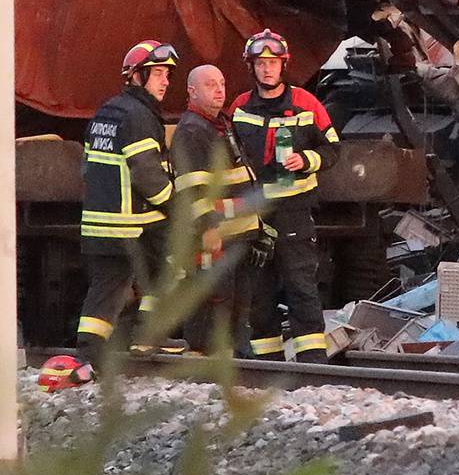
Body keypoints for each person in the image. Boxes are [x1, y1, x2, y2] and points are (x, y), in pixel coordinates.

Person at [38, 40, 179, 389]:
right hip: (132, 223)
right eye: (157, 74)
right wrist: (176, 207)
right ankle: (148, 336)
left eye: (166, 75)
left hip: (100, 222)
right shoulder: (139, 116)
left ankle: (89, 355)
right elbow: (147, 174)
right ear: (136, 76)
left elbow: (89, 169)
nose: (164, 82)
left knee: (105, 289)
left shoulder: (107, 113)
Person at [229, 30, 339, 362]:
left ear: (283, 65)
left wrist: (306, 160)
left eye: (272, 63)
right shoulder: (239, 107)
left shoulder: (307, 104)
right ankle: (267, 365)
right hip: (255, 212)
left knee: (300, 284)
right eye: (261, 64)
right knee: (258, 290)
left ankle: (314, 365)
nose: (267, 70)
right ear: (252, 67)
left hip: (294, 209)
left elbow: (333, 149)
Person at [170, 63, 267, 353]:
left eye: (222, 83)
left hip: (238, 234)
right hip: (215, 236)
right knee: (213, 303)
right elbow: (191, 188)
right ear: (192, 91)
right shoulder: (191, 130)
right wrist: (208, 227)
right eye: (210, 84)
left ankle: (234, 364)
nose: (219, 90)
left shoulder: (221, 124)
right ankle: (204, 361)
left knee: (237, 303)